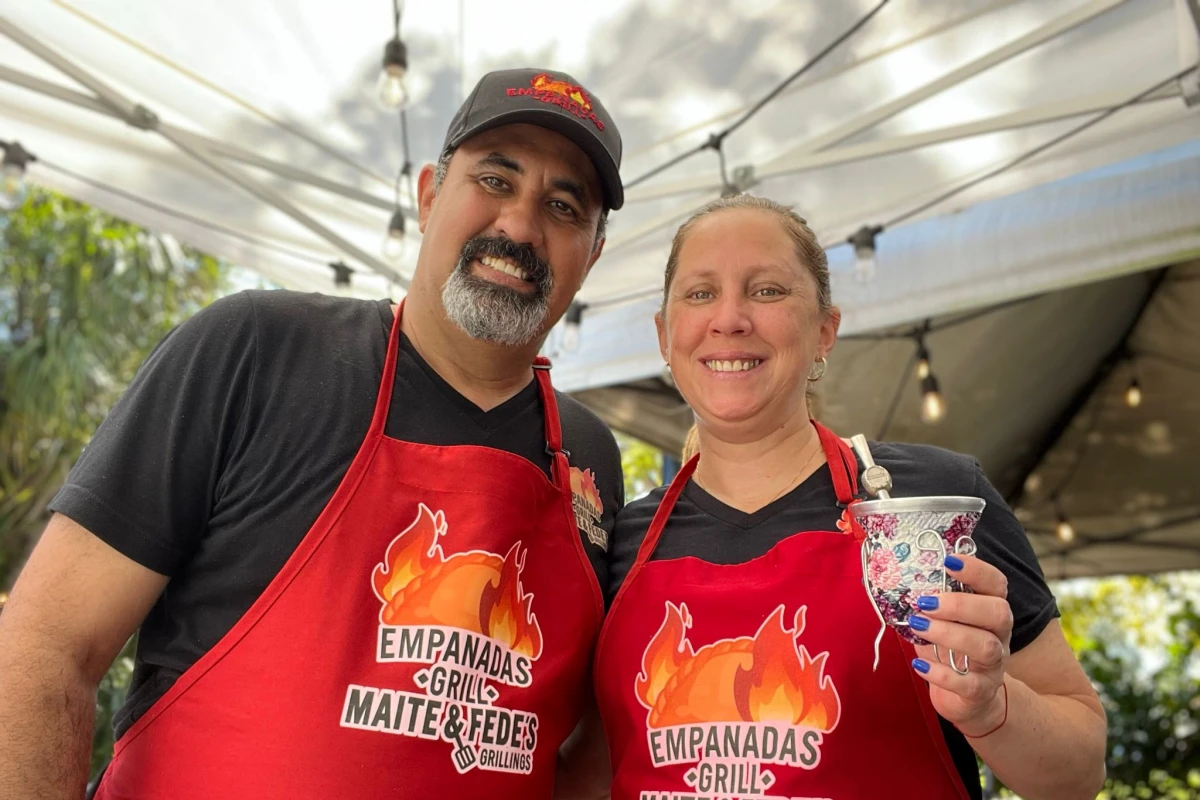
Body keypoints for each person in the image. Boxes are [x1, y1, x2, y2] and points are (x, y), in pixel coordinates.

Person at [0, 68, 627, 800]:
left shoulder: (589, 461)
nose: (519, 226)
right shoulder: (256, 350)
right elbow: (45, 648)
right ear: (429, 195)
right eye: (495, 179)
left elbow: (587, 740)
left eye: (562, 206)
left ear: (593, 253)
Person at [590, 195, 1107, 799]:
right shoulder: (617, 540)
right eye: (700, 293)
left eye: (768, 291)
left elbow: (1078, 775)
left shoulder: (936, 507)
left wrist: (992, 708)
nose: (728, 318)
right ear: (663, 334)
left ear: (824, 331)